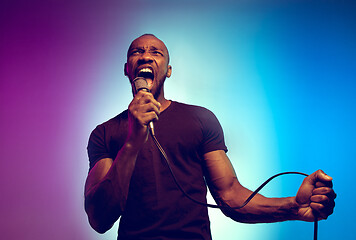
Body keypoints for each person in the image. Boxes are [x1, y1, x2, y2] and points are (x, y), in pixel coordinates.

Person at [84, 34, 336, 240]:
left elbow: (230, 196)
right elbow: (99, 218)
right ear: (127, 68)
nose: (146, 56)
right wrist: (132, 141)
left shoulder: (200, 119)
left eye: (156, 52)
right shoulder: (104, 133)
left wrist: (295, 206)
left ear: (168, 70)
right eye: (137, 52)